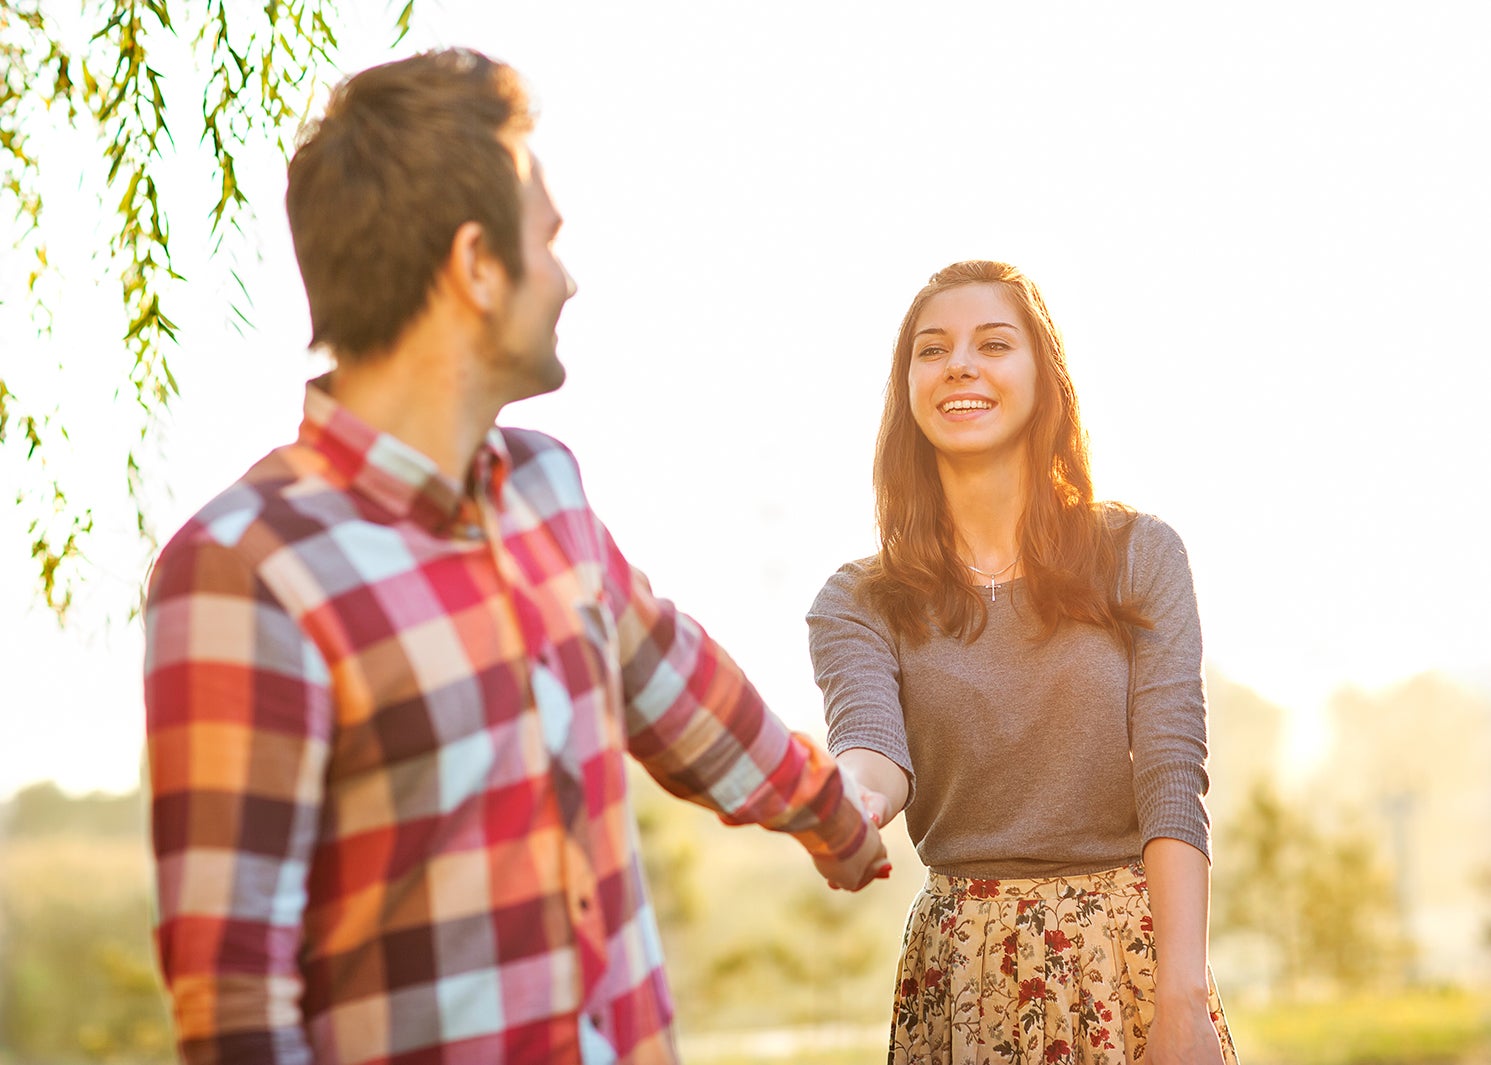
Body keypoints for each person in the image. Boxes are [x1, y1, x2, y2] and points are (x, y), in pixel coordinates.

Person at [142, 48, 888, 1065]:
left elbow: (673, 678)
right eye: (549, 240)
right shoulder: (247, 571)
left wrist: (834, 816)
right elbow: (234, 1003)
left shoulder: (547, 492)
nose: (570, 278)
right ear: (477, 265)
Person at [806, 261, 1239, 1064]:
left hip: (1129, 964)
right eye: (931, 350)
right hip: (965, 973)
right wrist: (847, 797)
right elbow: (872, 750)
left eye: (992, 343)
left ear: (1046, 378)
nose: (959, 364)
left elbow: (1173, 774)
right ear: (908, 388)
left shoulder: (1137, 554)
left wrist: (1181, 997)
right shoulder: (858, 598)